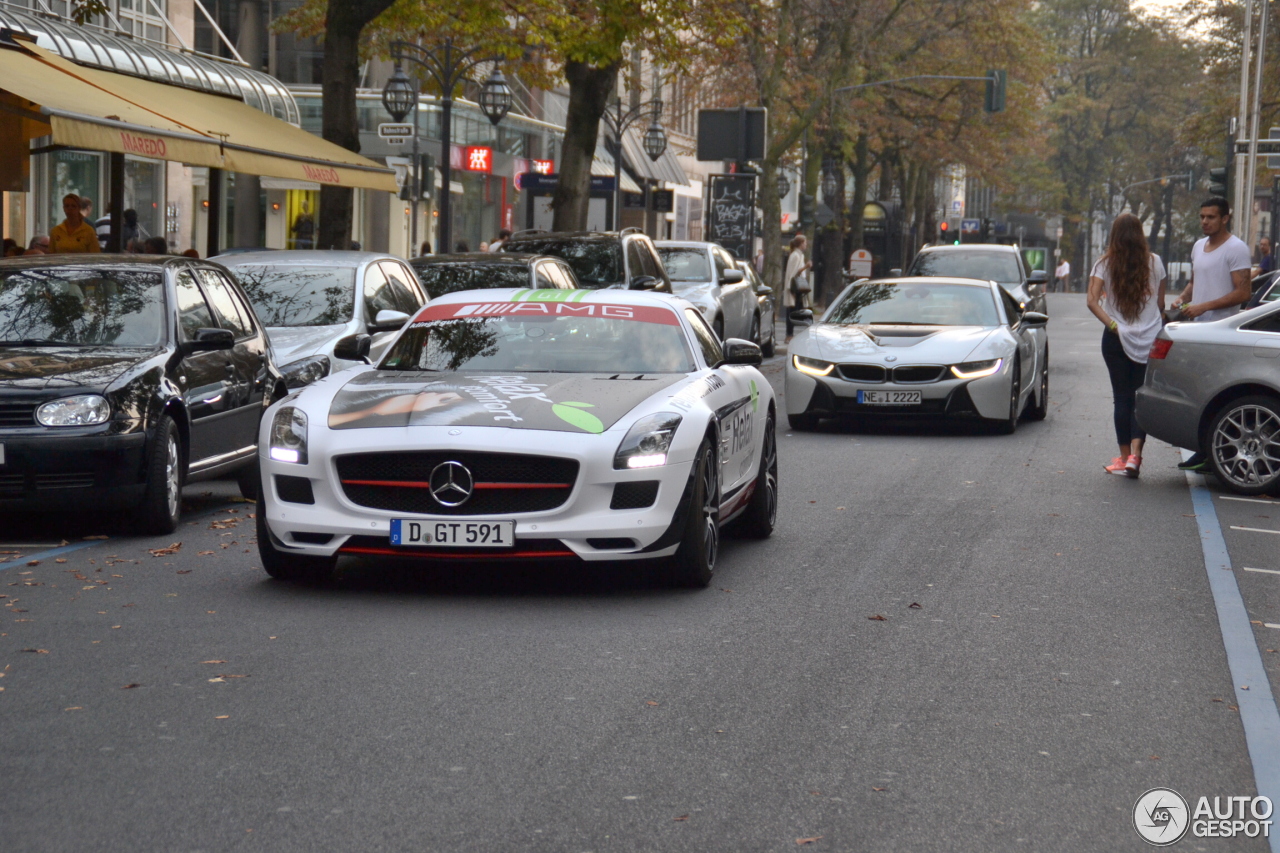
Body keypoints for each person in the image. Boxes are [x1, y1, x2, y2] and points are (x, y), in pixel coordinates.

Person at [1173, 197, 1252, 471]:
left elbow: (1243, 292)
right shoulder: (1198, 246)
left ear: (1225, 218)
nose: (1205, 221)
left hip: (1222, 333)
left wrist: (1204, 307)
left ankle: (1213, 454)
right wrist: (1182, 299)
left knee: (1215, 394)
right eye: (1202, 217)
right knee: (1195, 392)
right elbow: (1196, 281)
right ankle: (1203, 450)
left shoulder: (1236, 248)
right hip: (1197, 330)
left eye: (1211, 217)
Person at [1087, 213, 1167, 478]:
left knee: (1121, 398)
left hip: (1116, 339)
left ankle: (1123, 458)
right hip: (1150, 339)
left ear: (1114, 236)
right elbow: (1160, 305)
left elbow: (1092, 301)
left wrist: (1113, 325)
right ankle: (1136, 456)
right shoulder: (1155, 263)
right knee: (1138, 398)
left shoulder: (1104, 264)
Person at [783, 233, 812, 341]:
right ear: (800, 244)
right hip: (794, 288)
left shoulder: (799, 255)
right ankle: (789, 334)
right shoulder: (795, 255)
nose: (806, 245)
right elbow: (793, 273)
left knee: (797, 311)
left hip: (798, 288)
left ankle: (791, 334)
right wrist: (806, 266)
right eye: (805, 243)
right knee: (792, 311)